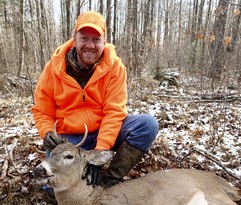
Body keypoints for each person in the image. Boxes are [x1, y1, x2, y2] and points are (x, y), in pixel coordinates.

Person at [32, 11, 158, 188]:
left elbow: (114, 112)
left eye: (96, 39)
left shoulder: (115, 67)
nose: (89, 45)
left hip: (104, 131)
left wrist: (101, 151)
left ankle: (108, 180)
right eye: (84, 38)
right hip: (70, 139)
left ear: (104, 41)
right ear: (74, 39)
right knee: (52, 189)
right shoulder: (54, 68)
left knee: (147, 125)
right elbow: (42, 110)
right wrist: (46, 133)